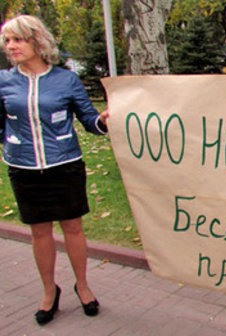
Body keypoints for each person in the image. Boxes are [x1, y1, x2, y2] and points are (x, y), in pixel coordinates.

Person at [0, 15, 109, 325]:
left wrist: (103, 121)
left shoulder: (66, 80)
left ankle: (83, 287)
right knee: (40, 232)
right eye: (8, 41)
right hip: (23, 168)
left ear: (37, 41)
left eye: (18, 39)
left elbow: (89, 121)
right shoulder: (4, 81)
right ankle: (49, 292)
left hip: (65, 165)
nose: (11, 46)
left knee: (73, 228)